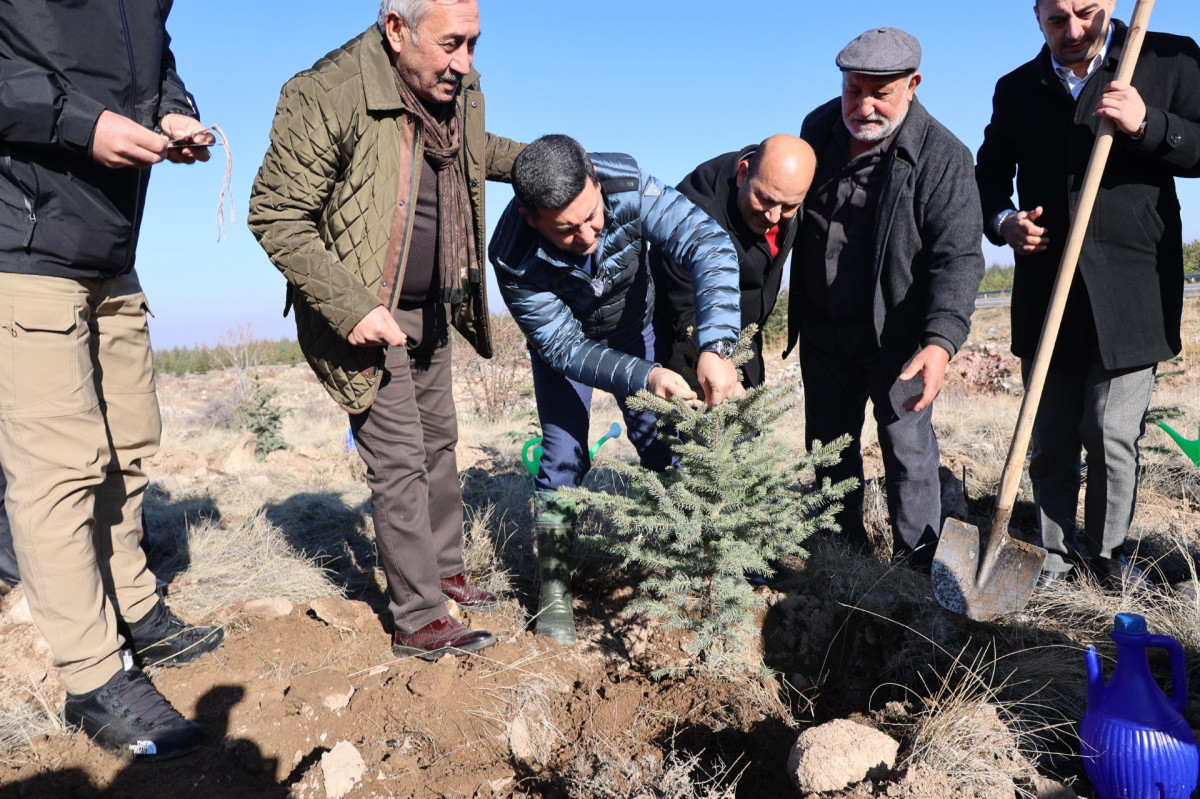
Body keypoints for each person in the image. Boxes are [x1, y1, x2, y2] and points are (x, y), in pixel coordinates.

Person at [249, 0, 524, 661]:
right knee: (399, 459)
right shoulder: (326, 93)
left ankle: (447, 573)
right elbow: (276, 213)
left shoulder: (454, 89)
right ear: (396, 29)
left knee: (440, 443)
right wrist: (352, 308)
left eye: (474, 44)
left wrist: (543, 163)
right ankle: (420, 618)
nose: (466, 63)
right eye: (452, 44)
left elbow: (473, 152)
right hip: (363, 312)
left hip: (434, 305)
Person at [0, 0, 224, 760]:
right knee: (58, 470)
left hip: (110, 248)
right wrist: (79, 122)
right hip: (22, 244)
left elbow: (149, 64)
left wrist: (173, 111)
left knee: (130, 443)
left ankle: (135, 607)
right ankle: (95, 676)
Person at [975, 0, 1200, 588]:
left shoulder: (1163, 60)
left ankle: (1107, 558)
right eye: (1056, 20)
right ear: (1036, 16)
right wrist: (1003, 222)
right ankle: (1050, 559)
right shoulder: (1017, 88)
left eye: (1087, 13)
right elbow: (989, 175)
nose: (1073, 31)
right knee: (1049, 435)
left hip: (1134, 290)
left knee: (1110, 433)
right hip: (1048, 288)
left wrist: (1149, 123)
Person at [488, 134, 743, 646]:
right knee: (562, 456)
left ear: (597, 183)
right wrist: (645, 376)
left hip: (634, 327)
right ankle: (556, 590)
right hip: (567, 350)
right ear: (531, 216)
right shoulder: (512, 256)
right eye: (567, 229)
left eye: (593, 215)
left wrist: (716, 345)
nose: (588, 235)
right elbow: (564, 350)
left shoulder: (627, 184)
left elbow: (707, 243)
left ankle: (683, 556)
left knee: (658, 442)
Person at [785, 28, 985, 570]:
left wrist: (940, 343)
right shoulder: (818, 129)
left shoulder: (944, 157)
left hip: (898, 337)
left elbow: (959, 258)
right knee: (828, 448)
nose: (864, 106)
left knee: (908, 451)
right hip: (825, 330)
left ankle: (919, 566)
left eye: (882, 92)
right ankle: (839, 556)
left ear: (913, 85)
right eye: (855, 90)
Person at [652, 135, 816, 390]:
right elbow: (685, 310)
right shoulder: (691, 215)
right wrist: (716, 361)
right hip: (688, 341)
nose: (773, 217)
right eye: (765, 199)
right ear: (743, 174)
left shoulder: (786, 188)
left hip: (747, 337)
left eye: (788, 207)